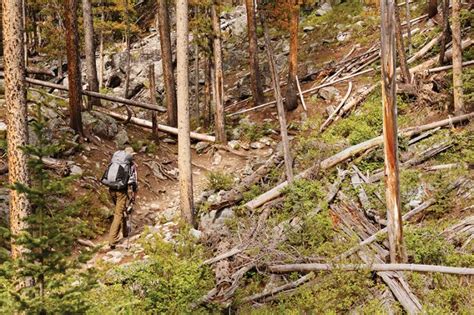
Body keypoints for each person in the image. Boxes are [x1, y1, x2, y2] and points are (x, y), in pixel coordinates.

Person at [107, 146, 138, 249]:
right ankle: (112, 240)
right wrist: (133, 195)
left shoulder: (116, 161)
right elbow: (134, 182)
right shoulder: (131, 165)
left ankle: (125, 231)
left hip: (111, 188)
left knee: (121, 209)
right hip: (121, 191)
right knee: (118, 214)